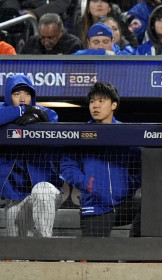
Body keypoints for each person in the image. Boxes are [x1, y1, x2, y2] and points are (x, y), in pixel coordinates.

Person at [0, 74, 62, 237]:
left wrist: (35, 115)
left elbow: (52, 117)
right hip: (15, 196)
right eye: (17, 94)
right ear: (8, 96)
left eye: (27, 94)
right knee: (18, 250)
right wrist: (23, 110)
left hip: (44, 189)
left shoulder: (44, 111)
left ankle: (45, 249)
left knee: (42, 191)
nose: (23, 98)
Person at [60, 82, 141, 237]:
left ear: (113, 105)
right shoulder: (81, 134)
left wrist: (129, 184)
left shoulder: (126, 132)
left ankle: (135, 251)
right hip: (95, 204)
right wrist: (87, 184)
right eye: (92, 102)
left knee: (148, 205)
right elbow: (67, 167)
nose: (95, 106)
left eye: (101, 101)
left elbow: (143, 163)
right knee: (96, 258)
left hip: (123, 203)